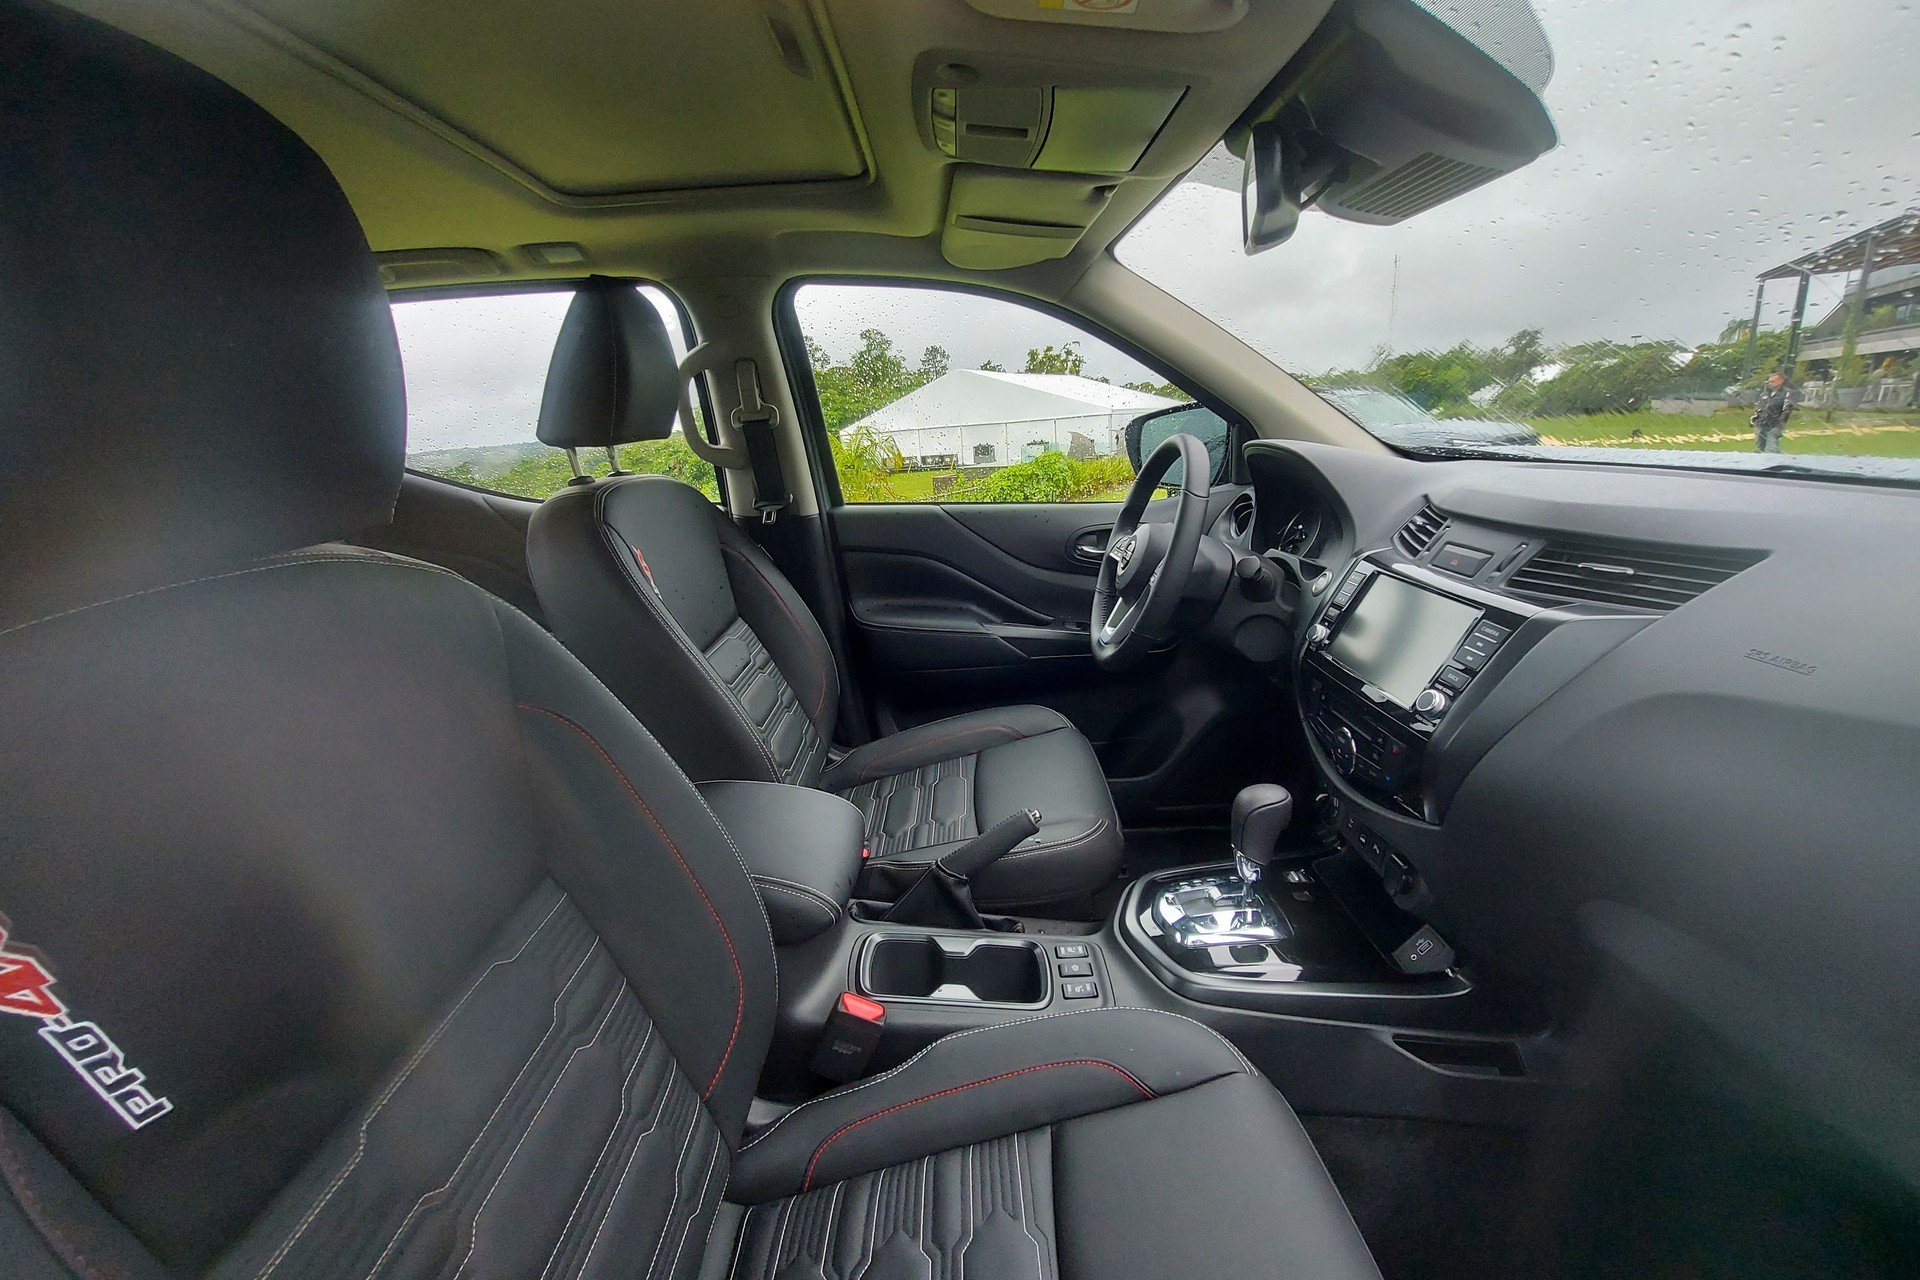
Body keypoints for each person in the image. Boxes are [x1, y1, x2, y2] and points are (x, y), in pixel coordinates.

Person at [1751, 370, 1793, 453]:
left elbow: (1787, 410)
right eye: (1769, 381)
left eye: (1772, 381)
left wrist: (1779, 426)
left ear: (1781, 381)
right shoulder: (1765, 393)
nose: (1769, 383)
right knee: (1758, 448)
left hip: (1774, 425)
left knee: (1772, 448)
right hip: (1761, 424)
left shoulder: (1787, 393)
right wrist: (1755, 419)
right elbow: (1760, 408)